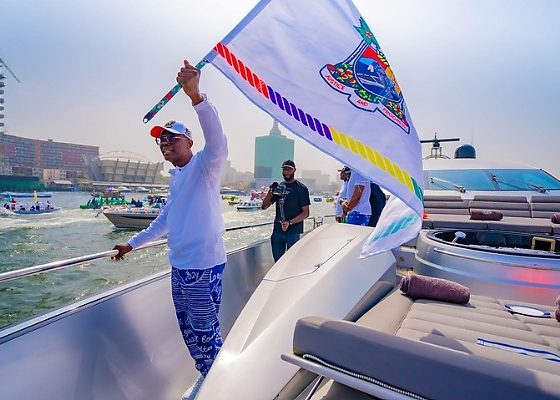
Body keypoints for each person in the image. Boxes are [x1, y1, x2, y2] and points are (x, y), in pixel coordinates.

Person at [111, 60, 228, 400]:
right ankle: (209, 376)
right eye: (161, 141)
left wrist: (196, 97)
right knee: (190, 332)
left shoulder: (206, 166)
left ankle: (221, 385)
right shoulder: (176, 179)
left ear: (189, 142)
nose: (165, 144)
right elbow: (164, 222)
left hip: (203, 268)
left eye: (172, 139)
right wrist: (131, 244)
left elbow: (218, 142)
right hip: (180, 268)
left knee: (205, 332)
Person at [261, 160, 310, 261]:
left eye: (289, 169)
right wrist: (270, 192)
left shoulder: (301, 188)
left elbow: (306, 213)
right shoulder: (279, 187)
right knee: (278, 262)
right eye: (285, 169)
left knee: (291, 263)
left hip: (293, 232)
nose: (287, 172)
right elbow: (264, 206)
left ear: (294, 170)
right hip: (278, 231)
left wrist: (290, 222)